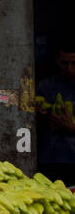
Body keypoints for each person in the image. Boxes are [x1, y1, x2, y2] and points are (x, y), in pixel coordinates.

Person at [36, 46, 75, 186]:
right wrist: (39, 114)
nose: (69, 69)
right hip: (51, 158)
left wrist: (71, 128)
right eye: (65, 63)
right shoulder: (46, 86)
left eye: (74, 63)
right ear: (57, 61)